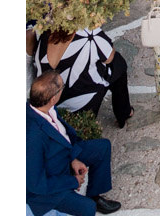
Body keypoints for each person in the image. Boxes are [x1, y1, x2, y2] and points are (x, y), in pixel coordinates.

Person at [27, 69, 121, 215]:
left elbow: (62, 138)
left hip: (64, 155)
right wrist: (73, 181)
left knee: (102, 147)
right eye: (61, 87)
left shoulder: (46, 107)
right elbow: (36, 184)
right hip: (51, 184)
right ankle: (88, 203)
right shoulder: (33, 136)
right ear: (53, 98)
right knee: (87, 209)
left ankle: (94, 196)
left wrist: (73, 158)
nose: (63, 89)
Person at [32, 27, 133, 128]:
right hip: (79, 104)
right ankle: (124, 113)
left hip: (50, 101)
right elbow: (109, 57)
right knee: (118, 64)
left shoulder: (45, 33)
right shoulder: (89, 34)